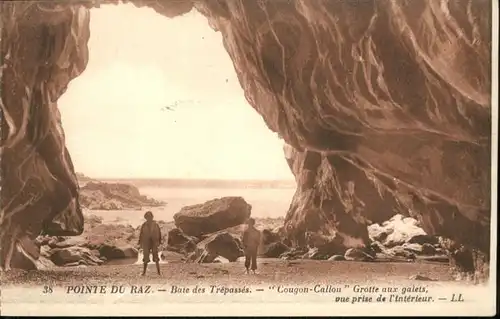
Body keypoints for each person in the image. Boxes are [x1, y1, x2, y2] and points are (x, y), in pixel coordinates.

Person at [138, 211, 162, 276]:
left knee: (156, 257)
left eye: (150, 217)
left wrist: (159, 242)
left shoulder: (155, 225)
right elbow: (141, 234)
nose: (149, 218)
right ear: (146, 218)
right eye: (147, 217)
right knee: (145, 257)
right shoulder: (144, 225)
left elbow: (159, 233)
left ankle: (159, 272)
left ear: (152, 217)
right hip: (146, 242)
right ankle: (144, 272)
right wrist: (140, 242)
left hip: (154, 242)